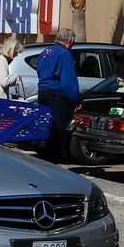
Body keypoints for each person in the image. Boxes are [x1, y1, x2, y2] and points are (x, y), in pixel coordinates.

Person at [36, 28, 81, 163]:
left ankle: (44, 159)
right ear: (69, 40)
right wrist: (76, 98)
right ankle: (52, 162)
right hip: (56, 94)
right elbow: (68, 80)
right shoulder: (65, 54)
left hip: (42, 92)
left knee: (46, 128)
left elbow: (39, 71)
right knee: (56, 131)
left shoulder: (45, 52)